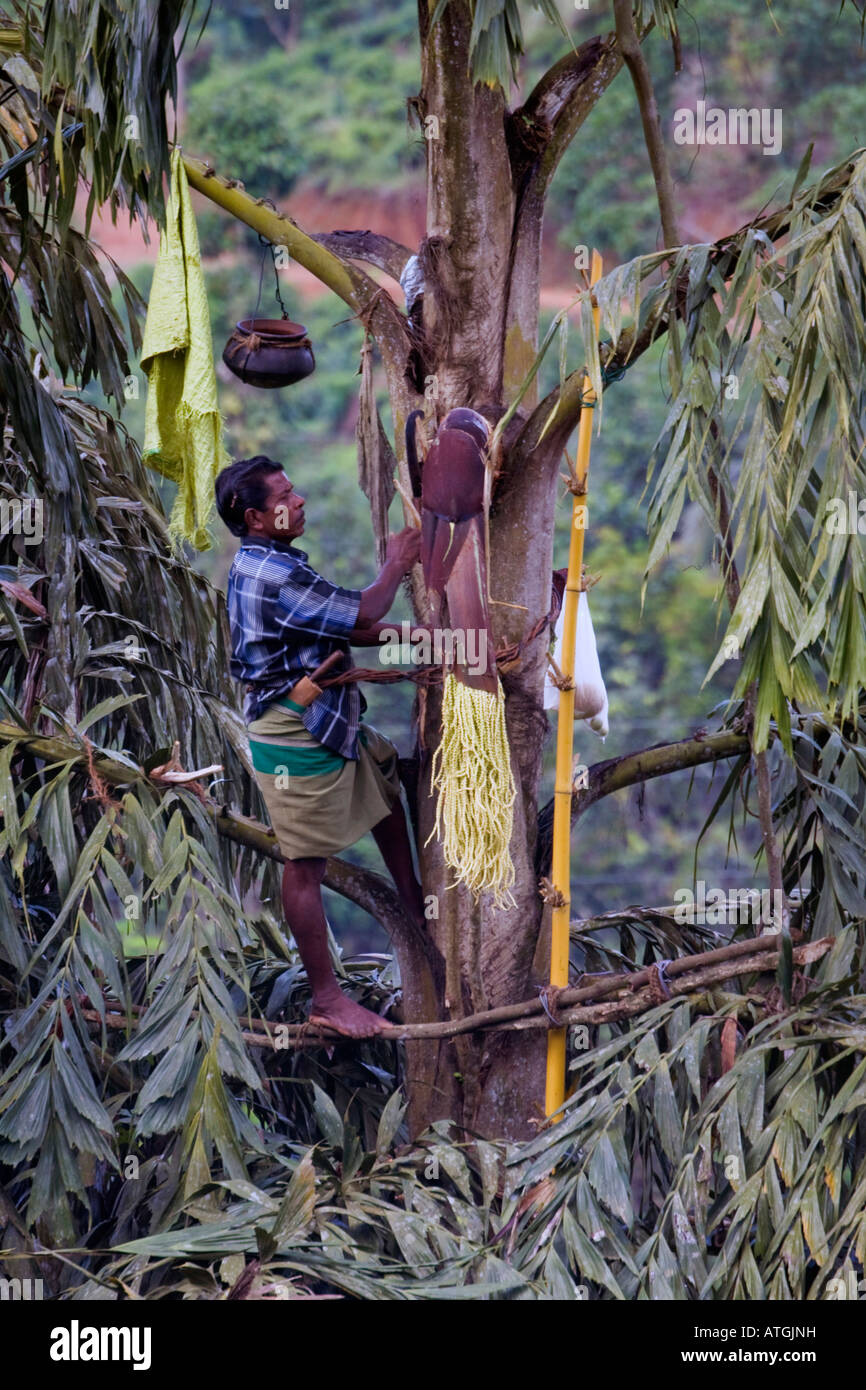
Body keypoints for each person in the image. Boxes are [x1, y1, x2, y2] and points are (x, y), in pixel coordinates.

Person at [216, 454, 426, 1038]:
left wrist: (424, 640)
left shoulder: (267, 561)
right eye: (286, 495)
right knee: (303, 864)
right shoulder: (273, 573)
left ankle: (416, 905)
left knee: (382, 776)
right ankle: (328, 998)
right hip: (292, 730)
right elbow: (365, 610)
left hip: (322, 718)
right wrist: (398, 561)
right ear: (257, 517)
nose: (300, 499)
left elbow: (342, 626)